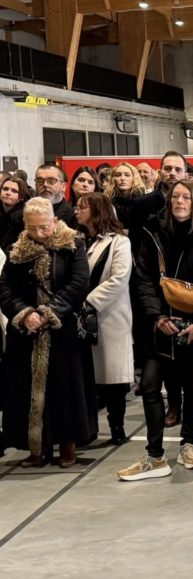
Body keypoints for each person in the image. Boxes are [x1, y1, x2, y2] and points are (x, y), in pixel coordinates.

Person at [117, 180, 193, 481]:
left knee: (192, 386)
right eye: (175, 196)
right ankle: (155, 455)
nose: (179, 202)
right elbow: (143, 279)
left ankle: (189, 444)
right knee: (150, 385)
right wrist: (156, 315)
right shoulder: (153, 231)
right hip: (158, 323)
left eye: (186, 197)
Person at [0, 197, 91, 467]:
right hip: (26, 333)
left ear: (55, 221)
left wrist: (48, 313)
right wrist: (24, 314)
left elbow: (78, 283)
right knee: (26, 389)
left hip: (62, 331)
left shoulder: (73, 244)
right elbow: (4, 288)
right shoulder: (16, 250)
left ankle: (67, 445)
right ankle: (36, 448)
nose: (38, 233)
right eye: (32, 228)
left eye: (44, 227)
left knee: (64, 390)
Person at [74, 192, 134, 445]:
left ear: (97, 212)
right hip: (80, 317)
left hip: (110, 316)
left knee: (113, 378)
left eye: (82, 207)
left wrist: (88, 301)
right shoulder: (77, 240)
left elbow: (119, 278)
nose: (76, 211)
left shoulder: (119, 242)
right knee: (87, 377)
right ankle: (87, 429)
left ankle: (117, 427)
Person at [0, 175, 31, 253]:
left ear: (21, 197)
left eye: (14, 191)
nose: (8, 193)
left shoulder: (25, 216)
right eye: (5, 189)